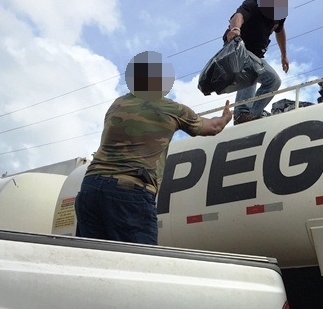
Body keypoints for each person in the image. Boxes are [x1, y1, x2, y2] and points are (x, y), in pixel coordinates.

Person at [74, 50, 232, 245]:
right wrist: (225, 117)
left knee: (93, 262)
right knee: (142, 265)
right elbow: (213, 127)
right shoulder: (172, 109)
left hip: (90, 188)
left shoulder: (118, 104)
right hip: (129, 191)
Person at [224, 0, 290, 125]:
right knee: (253, 69)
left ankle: (252, 116)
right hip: (237, 49)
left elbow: (280, 31)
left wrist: (284, 55)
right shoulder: (254, 3)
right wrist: (235, 29)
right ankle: (242, 112)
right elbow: (238, 16)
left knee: (273, 81)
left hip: (256, 55)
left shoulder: (280, 13)